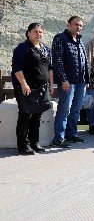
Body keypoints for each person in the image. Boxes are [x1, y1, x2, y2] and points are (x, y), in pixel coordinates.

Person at [11, 22, 54, 154]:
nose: (38, 34)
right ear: (28, 32)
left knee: (37, 115)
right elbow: (17, 68)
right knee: (25, 115)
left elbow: (50, 68)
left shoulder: (45, 48)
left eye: (40, 32)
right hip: (26, 88)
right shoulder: (22, 48)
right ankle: (23, 145)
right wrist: (24, 84)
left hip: (42, 87)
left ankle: (35, 142)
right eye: (35, 31)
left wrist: (51, 84)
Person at [52, 15, 89, 147]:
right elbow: (57, 61)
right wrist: (64, 79)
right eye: (76, 24)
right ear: (68, 24)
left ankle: (71, 134)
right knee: (64, 109)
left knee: (76, 108)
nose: (78, 27)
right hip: (68, 81)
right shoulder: (60, 38)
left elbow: (84, 61)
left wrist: (86, 79)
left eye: (80, 25)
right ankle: (58, 138)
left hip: (81, 81)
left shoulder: (79, 40)